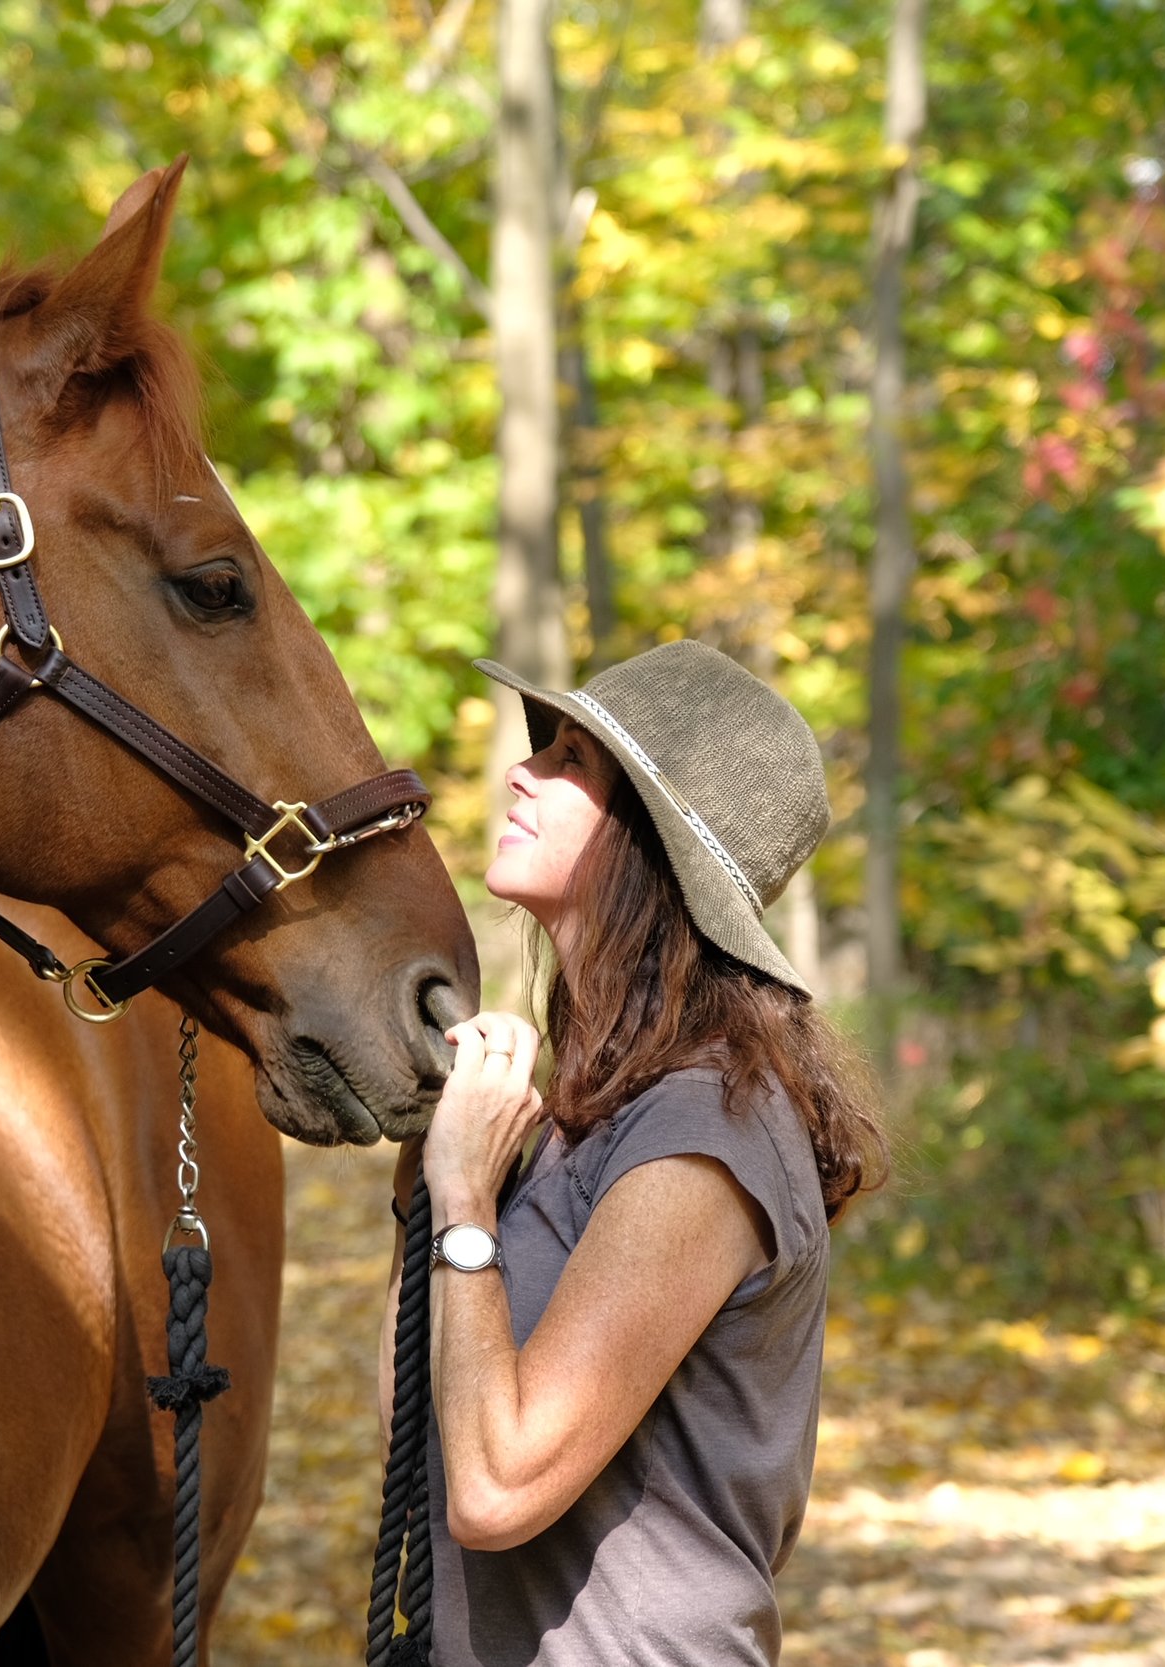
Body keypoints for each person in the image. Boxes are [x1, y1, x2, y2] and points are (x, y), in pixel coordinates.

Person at [382, 639, 887, 1667]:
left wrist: (466, 1198)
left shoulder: (706, 1129)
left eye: (572, 759)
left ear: (652, 845)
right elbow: (423, 1432)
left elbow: (495, 1489)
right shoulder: (589, 1110)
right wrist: (430, 1189)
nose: (521, 770)